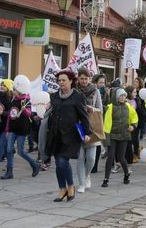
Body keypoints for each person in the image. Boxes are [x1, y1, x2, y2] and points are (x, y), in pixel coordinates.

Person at [46, 70, 91, 202]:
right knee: (58, 163)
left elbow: (84, 116)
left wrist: (87, 132)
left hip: (71, 135)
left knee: (62, 161)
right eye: (59, 80)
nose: (61, 82)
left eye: (63, 80)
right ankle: (62, 189)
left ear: (71, 81)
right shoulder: (54, 96)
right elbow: (51, 112)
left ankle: (70, 186)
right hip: (56, 134)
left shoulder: (78, 97)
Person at [0, 75, 40, 180]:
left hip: (22, 129)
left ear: (19, 90)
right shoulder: (14, 100)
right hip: (13, 129)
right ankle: (9, 172)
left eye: (14, 89)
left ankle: (34, 164)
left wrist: (25, 109)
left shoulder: (26, 101)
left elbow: (29, 114)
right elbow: (10, 115)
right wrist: (7, 129)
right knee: (8, 149)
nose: (12, 91)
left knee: (20, 151)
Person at [101, 88, 137, 187]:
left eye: (124, 95)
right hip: (112, 135)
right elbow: (106, 121)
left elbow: (134, 117)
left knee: (121, 158)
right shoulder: (110, 107)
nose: (122, 97)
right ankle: (106, 179)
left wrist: (133, 126)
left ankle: (126, 174)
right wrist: (106, 137)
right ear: (116, 96)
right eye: (121, 95)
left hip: (124, 135)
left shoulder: (128, 106)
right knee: (111, 157)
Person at [75, 68, 103, 193]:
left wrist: (92, 108)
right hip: (77, 126)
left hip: (91, 126)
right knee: (80, 157)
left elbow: (100, 109)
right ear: (78, 79)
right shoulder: (74, 91)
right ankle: (81, 183)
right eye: (81, 78)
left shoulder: (95, 91)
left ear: (89, 79)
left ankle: (87, 175)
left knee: (91, 158)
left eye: (86, 78)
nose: (84, 81)